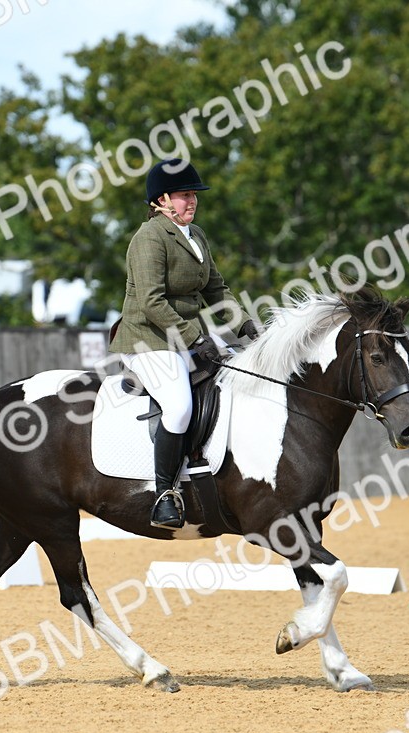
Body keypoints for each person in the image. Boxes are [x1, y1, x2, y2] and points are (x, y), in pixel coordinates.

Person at [109, 158, 260, 529]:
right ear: (161, 200)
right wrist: (195, 338)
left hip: (184, 338)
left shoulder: (197, 236)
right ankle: (165, 495)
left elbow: (216, 289)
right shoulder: (149, 238)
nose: (191, 202)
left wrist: (247, 329)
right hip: (149, 339)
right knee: (177, 407)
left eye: (193, 195)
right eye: (183, 195)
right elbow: (151, 301)